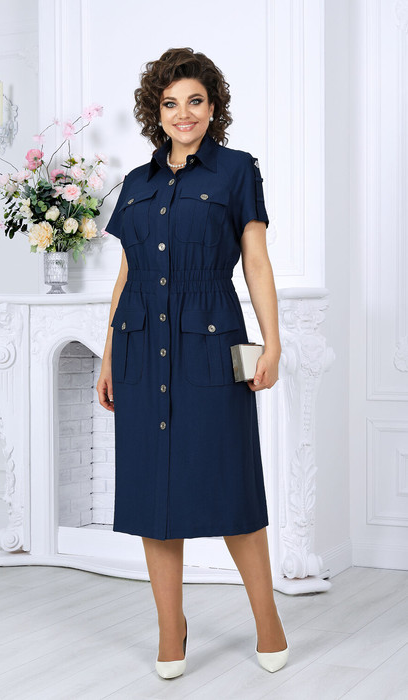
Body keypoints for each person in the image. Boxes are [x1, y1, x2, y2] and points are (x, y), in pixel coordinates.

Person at [96, 47, 288, 678]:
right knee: (153, 497)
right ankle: (170, 629)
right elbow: (128, 275)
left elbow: (255, 260)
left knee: (232, 483)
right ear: (156, 112)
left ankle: (267, 619)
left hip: (210, 342)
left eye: (195, 101)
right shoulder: (137, 183)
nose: (184, 114)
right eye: (171, 103)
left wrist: (272, 341)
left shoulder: (236, 171)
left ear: (213, 107)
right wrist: (108, 355)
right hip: (138, 347)